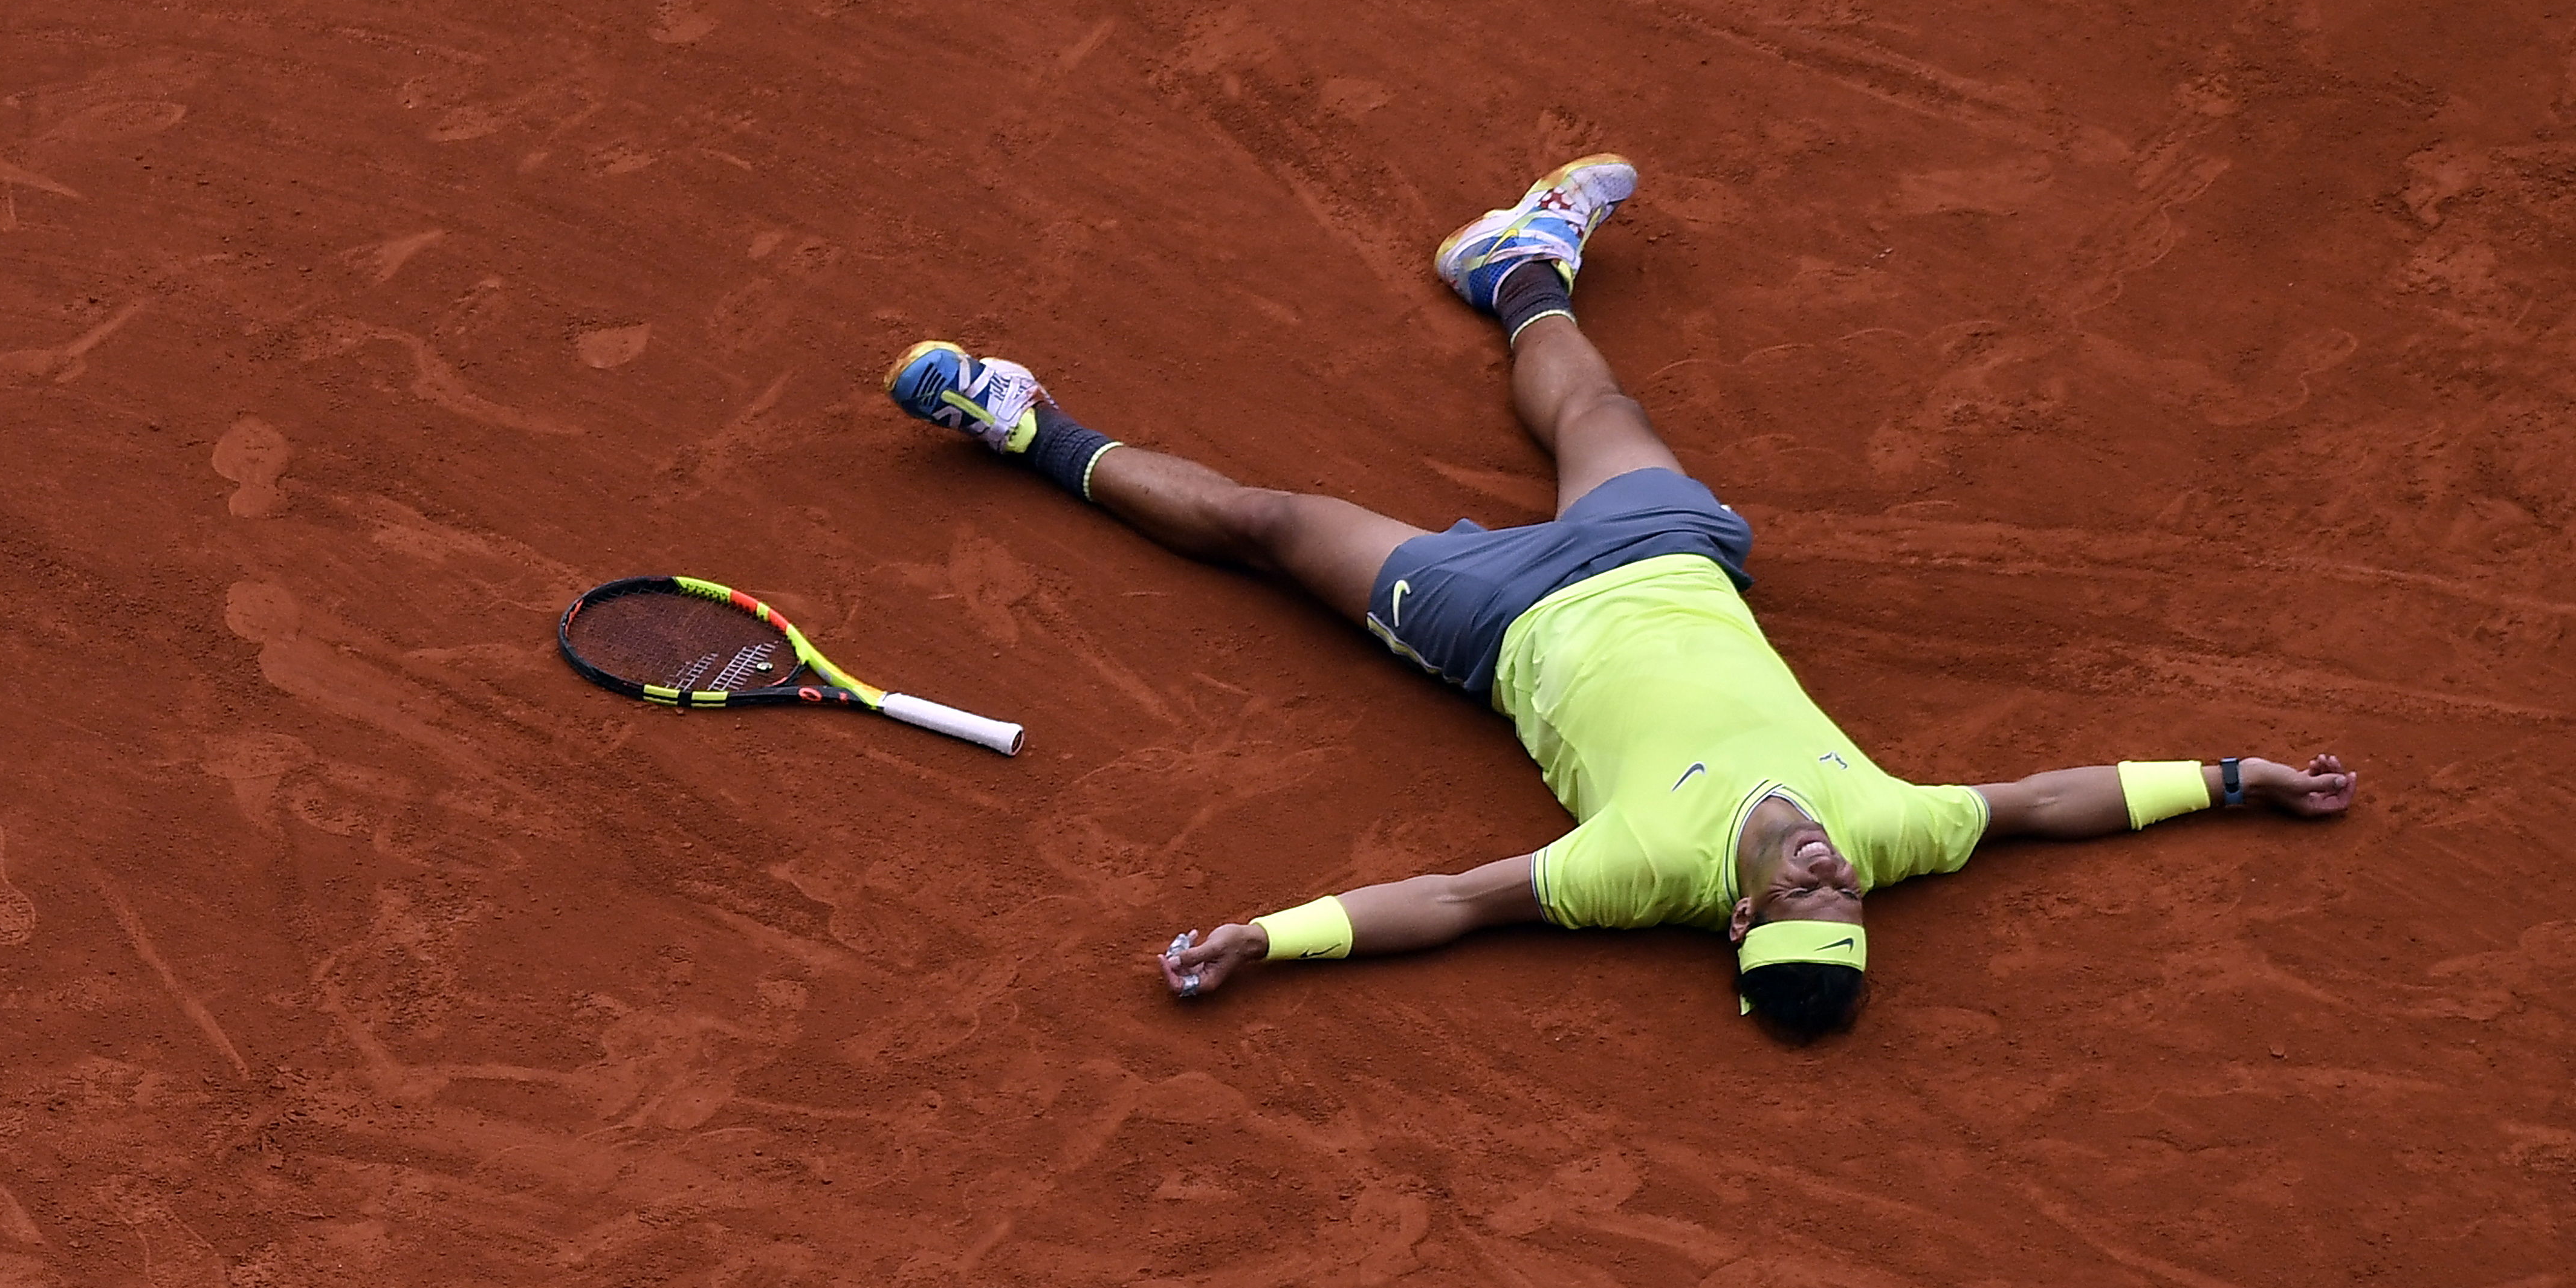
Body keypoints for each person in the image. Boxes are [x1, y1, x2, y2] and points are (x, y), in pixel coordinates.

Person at [882, 157, 2358, 1035]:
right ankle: (1519, 264)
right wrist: (2231, 778)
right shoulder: (1894, 836)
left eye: (1798, 913)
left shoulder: (1638, 872)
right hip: (1664, 558)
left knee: (1273, 526)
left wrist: (1271, 936)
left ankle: (1022, 427)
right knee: (1591, 400)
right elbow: (2049, 802)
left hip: (1493, 619)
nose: (1827, 889)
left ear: (1733, 927)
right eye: (1837, 909)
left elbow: (1453, 903)